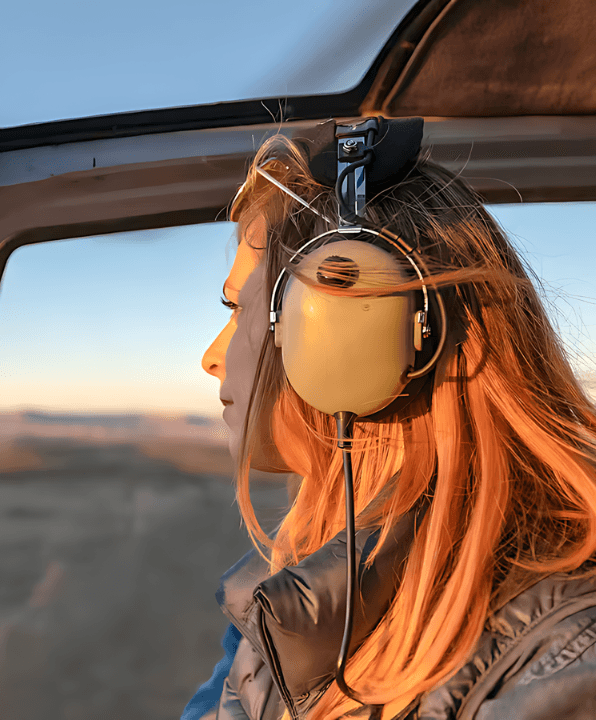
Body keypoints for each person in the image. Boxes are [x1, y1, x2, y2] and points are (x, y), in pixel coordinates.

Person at [183, 119, 596, 720]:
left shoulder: (566, 661)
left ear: (344, 330)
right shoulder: (285, 606)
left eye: (239, 308)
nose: (212, 356)